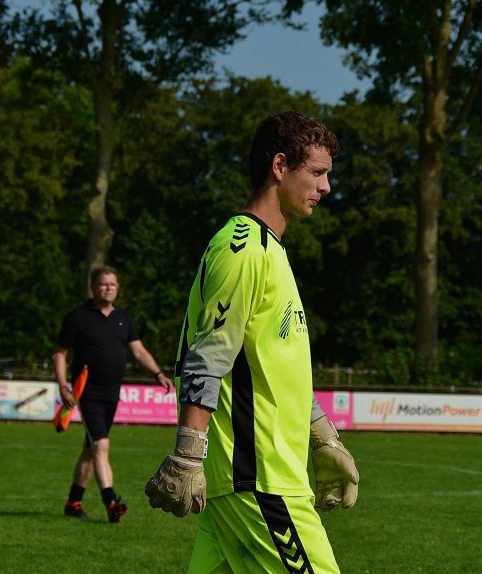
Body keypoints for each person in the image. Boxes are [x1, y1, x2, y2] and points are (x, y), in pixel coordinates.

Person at [145, 112, 359, 572]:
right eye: (317, 173)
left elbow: (275, 367)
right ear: (280, 166)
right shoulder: (243, 248)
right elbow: (209, 353)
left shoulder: (271, 251)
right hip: (258, 484)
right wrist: (187, 454)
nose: (325, 188)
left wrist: (323, 438)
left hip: (260, 479)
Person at [54, 265, 173, 522]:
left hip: (111, 395)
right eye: (103, 284)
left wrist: (158, 374)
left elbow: (139, 351)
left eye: (113, 284)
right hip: (86, 393)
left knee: (91, 449)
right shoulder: (78, 317)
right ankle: (111, 502)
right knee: (101, 445)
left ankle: (73, 502)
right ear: (93, 287)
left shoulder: (123, 318)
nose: (109, 288)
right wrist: (64, 386)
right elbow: (60, 354)